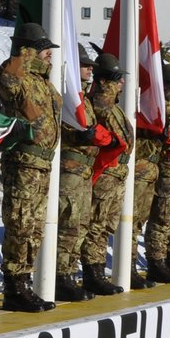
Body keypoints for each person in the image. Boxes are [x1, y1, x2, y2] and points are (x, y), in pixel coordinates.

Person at [0, 22, 60, 312]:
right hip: (23, 162)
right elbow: (4, 78)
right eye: (44, 50)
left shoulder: (44, 82)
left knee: (33, 228)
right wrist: (23, 53)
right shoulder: (19, 76)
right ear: (29, 50)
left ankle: (24, 281)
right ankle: (14, 287)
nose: (49, 55)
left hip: (42, 164)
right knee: (20, 224)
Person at [81, 54, 131, 294]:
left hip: (118, 171)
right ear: (105, 81)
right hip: (106, 171)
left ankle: (98, 269)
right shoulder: (100, 103)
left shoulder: (115, 106)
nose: (121, 83)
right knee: (96, 222)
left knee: (106, 224)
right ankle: (92, 271)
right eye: (116, 79)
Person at [54, 48, 101, 301]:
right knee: (69, 223)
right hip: (71, 169)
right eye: (85, 65)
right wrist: (78, 136)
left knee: (81, 224)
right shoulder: (67, 95)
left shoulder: (84, 97)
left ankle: (69, 273)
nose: (90, 69)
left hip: (84, 169)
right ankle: (61, 275)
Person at [142, 62, 170, 283]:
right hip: (165, 171)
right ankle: (156, 261)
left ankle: (166, 258)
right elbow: (162, 128)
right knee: (161, 219)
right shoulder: (165, 106)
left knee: (169, 219)